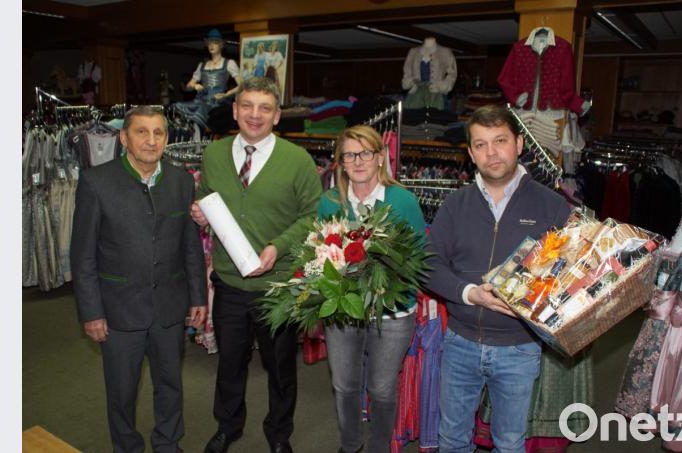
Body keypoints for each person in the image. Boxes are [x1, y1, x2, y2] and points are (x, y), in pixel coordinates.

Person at [423, 105, 571, 453]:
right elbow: (427, 266)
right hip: (460, 343)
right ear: (471, 153)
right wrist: (470, 293)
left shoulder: (553, 207)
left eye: (500, 140)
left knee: (509, 442)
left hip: (519, 347)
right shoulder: (455, 205)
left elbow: (569, 275)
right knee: (452, 440)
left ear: (519, 144)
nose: (491, 152)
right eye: (480, 144)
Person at [190, 77, 323, 453]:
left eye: (265, 107)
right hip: (230, 283)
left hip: (277, 288)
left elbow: (312, 217)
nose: (255, 114)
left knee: (280, 367)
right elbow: (205, 199)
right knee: (229, 364)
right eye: (247, 105)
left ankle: (279, 433)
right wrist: (200, 213)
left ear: (277, 115)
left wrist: (278, 247)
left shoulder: (297, 161)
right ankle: (228, 427)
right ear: (235, 110)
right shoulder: (214, 155)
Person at [70, 106, 207, 453]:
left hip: (170, 308)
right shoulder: (96, 182)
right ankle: (127, 447)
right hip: (118, 311)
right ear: (124, 138)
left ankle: (168, 443)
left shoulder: (180, 180)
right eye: (142, 132)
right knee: (121, 391)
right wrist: (91, 312)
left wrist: (198, 299)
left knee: (170, 384)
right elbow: (82, 255)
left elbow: (190, 246)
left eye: (158, 132)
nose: (151, 140)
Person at [317, 125, 425, 453]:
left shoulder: (402, 201)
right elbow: (320, 255)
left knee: (381, 389)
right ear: (341, 162)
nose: (358, 161)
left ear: (380, 157)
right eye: (350, 154)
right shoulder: (330, 202)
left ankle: (379, 447)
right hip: (343, 311)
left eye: (366, 153)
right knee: (344, 384)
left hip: (393, 312)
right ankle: (350, 445)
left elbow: (420, 259)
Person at [175, 28, 241, 130]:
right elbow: (188, 86)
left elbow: (242, 85)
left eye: (215, 43)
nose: (211, 45)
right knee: (178, 106)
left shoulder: (229, 63)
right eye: (209, 43)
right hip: (202, 99)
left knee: (201, 111)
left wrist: (226, 94)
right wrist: (194, 85)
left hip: (218, 102)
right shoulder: (202, 65)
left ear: (221, 45)